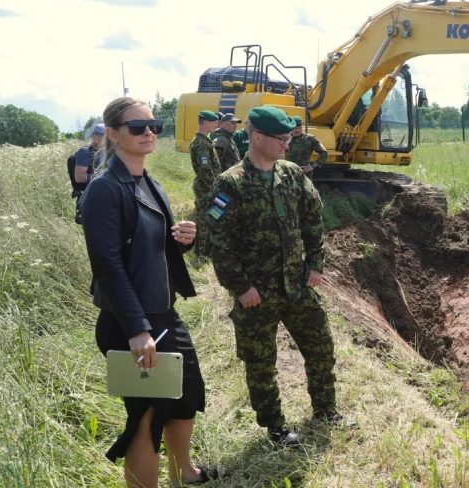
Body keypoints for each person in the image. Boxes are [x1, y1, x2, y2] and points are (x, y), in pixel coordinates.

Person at [79, 97, 222, 487]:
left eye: (153, 125)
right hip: (132, 322)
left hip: (162, 313)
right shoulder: (105, 190)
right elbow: (108, 266)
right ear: (112, 134)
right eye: (137, 127)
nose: (148, 133)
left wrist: (182, 242)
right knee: (146, 417)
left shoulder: (148, 182)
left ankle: (185, 474)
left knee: (186, 395)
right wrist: (137, 328)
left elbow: (147, 249)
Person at [207, 106, 352, 447]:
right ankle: (275, 427)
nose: (288, 144)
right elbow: (219, 243)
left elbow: (314, 218)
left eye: (289, 138)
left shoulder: (291, 174)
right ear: (257, 137)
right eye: (282, 138)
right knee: (260, 362)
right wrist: (241, 288)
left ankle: (326, 410)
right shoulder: (231, 183)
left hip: (297, 283)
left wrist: (316, 263)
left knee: (321, 347)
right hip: (258, 292)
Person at [190, 111, 221, 260]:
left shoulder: (203, 140)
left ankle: (201, 251)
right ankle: (202, 254)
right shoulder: (201, 143)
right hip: (206, 188)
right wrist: (215, 188)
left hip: (206, 187)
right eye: (215, 122)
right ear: (207, 123)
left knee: (205, 219)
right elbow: (205, 170)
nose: (217, 125)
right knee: (204, 220)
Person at [285, 114, 328, 179]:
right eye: (295, 128)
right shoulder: (285, 138)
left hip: (304, 174)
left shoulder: (309, 139)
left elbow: (324, 153)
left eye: (299, 128)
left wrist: (313, 166)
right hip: (289, 174)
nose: (297, 130)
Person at [72, 123, 105, 193]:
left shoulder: (104, 150)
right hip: (89, 194)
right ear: (95, 136)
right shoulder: (85, 152)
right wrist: (104, 176)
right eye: (103, 136)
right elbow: (79, 177)